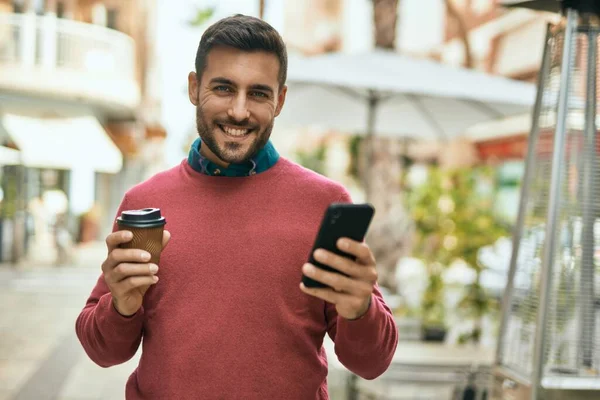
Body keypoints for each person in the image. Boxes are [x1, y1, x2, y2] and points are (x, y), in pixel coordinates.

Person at [75, 14, 398, 399]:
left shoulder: (325, 204)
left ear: (279, 100)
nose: (240, 111)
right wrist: (122, 307)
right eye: (224, 88)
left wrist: (361, 309)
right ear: (195, 88)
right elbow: (103, 351)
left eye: (258, 93)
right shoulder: (145, 203)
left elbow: (371, 363)